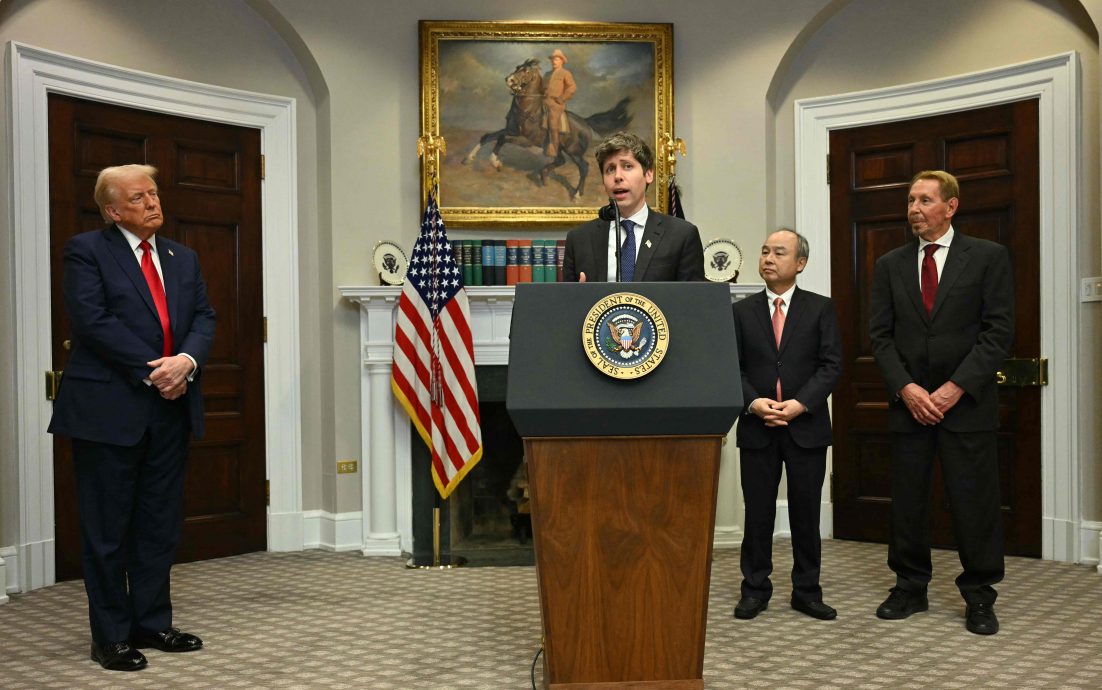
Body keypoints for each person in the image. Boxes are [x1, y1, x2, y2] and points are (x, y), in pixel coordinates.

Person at [48, 164, 216, 670]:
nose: (153, 202)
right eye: (139, 197)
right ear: (113, 210)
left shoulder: (182, 257)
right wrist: (155, 371)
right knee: (107, 530)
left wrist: (185, 362)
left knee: (158, 524)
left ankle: (153, 623)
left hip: (171, 407)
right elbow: (92, 320)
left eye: (154, 193)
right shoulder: (86, 251)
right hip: (107, 410)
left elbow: (203, 317)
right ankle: (111, 636)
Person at [869, 170, 1014, 635]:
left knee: (974, 503)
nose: (914, 209)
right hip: (910, 406)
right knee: (908, 503)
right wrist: (907, 388)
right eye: (911, 200)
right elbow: (880, 337)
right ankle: (909, 587)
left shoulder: (987, 257)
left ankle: (980, 596)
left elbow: (998, 333)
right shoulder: (889, 264)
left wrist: (955, 388)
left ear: (951, 207)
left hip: (966, 405)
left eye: (925, 200)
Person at [731, 229, 842, 621]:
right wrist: (753, 402)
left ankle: (807, 591)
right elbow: (733, 367)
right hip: (757, 426)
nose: (768, 258)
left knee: (805, 514)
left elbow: (831, 366)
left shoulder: (820, 308)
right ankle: (754, 589)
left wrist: (800, 404)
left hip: (806, 427)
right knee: (757, 514)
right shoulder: (741, 312)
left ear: (800, 263)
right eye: (765, 251)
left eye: (779, 252)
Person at [561, 131, 704, 283]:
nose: (617, 176)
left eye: (627, 166)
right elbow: (567, 298)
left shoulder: (681, 235)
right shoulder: (579, 240)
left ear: (648, 174)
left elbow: (693, 297)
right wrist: (579, 295)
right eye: (610, 169)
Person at [543, 49, 576, 157]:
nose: (554, 61)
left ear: (562, 61)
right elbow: (541, 88)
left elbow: (572, 87)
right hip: (544, 101)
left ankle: (553, 148)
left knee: (553, 123)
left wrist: (562, 98)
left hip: (556, 104)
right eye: (553, 59)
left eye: (556, 59)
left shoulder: (565, 73)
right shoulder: (547, 74)